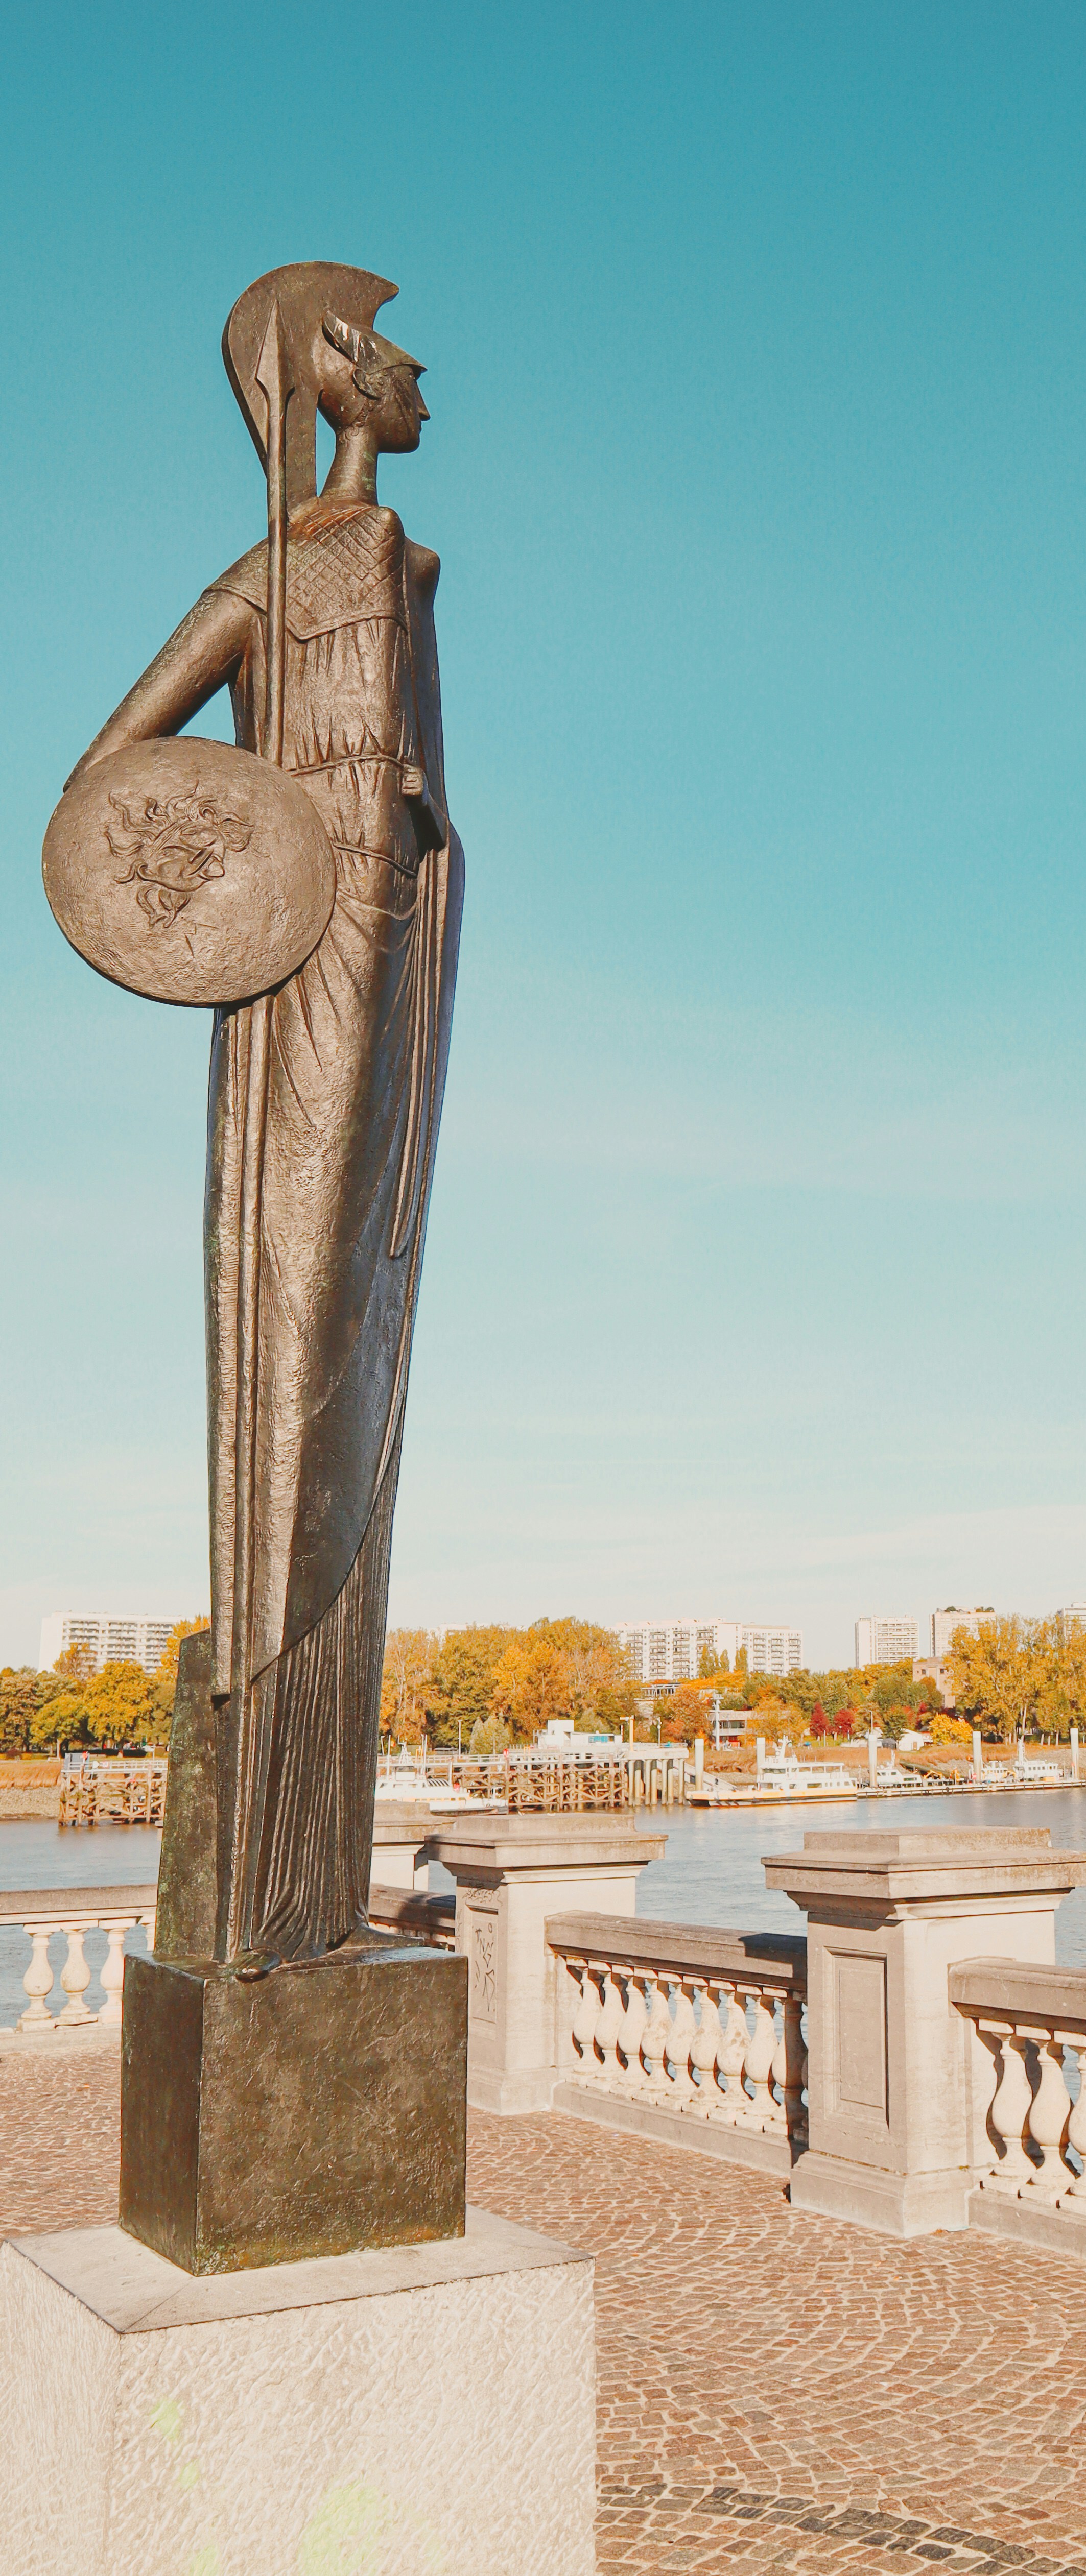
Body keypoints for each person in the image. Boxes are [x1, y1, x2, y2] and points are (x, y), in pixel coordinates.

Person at [69, 266, 464, 1970]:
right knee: (299, 1297)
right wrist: (253, 857)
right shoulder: (284, 566)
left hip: (403, 938)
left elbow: (430, 795)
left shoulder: (398, 565)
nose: (420, 365)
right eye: (383, 344)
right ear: (325, 378)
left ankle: (301, 1862)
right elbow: (117, 765)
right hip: (313, 946)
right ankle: (266, 1787)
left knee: (367, 1286)